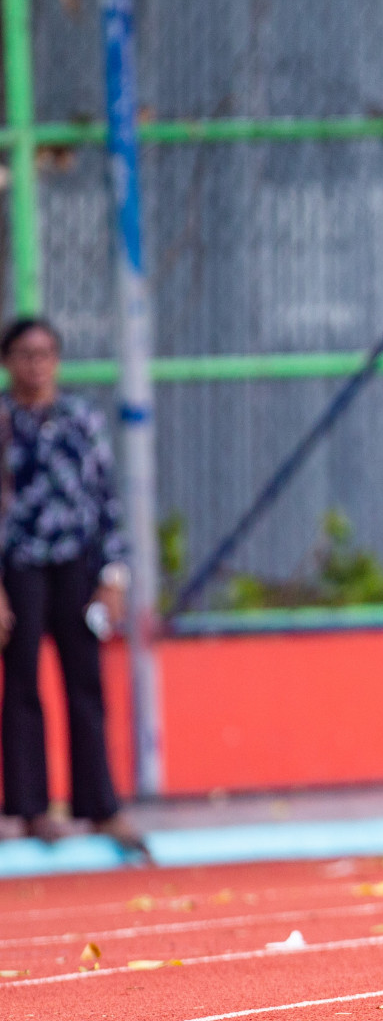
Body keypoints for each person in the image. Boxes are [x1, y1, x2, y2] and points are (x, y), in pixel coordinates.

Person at [0, 316, 145, 854]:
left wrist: (112, 575)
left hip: (76, 565)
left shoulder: (80, 419)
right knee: (21, 684)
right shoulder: (3, 421)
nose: (35, 364)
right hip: (18, 565)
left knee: (85, 683)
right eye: (24, 354)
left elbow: (106, 499)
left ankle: (100, 805)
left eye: (44, 354)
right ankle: (30, 808)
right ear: (8, 362)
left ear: (57, 361)